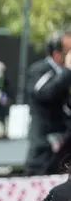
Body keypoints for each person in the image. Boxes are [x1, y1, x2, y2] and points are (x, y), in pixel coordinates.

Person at [24, 31, 71, 175]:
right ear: (57, 53)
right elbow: (44, 93)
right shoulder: (40, 70)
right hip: (45, 149)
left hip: (65, 145)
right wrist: (67, 70)